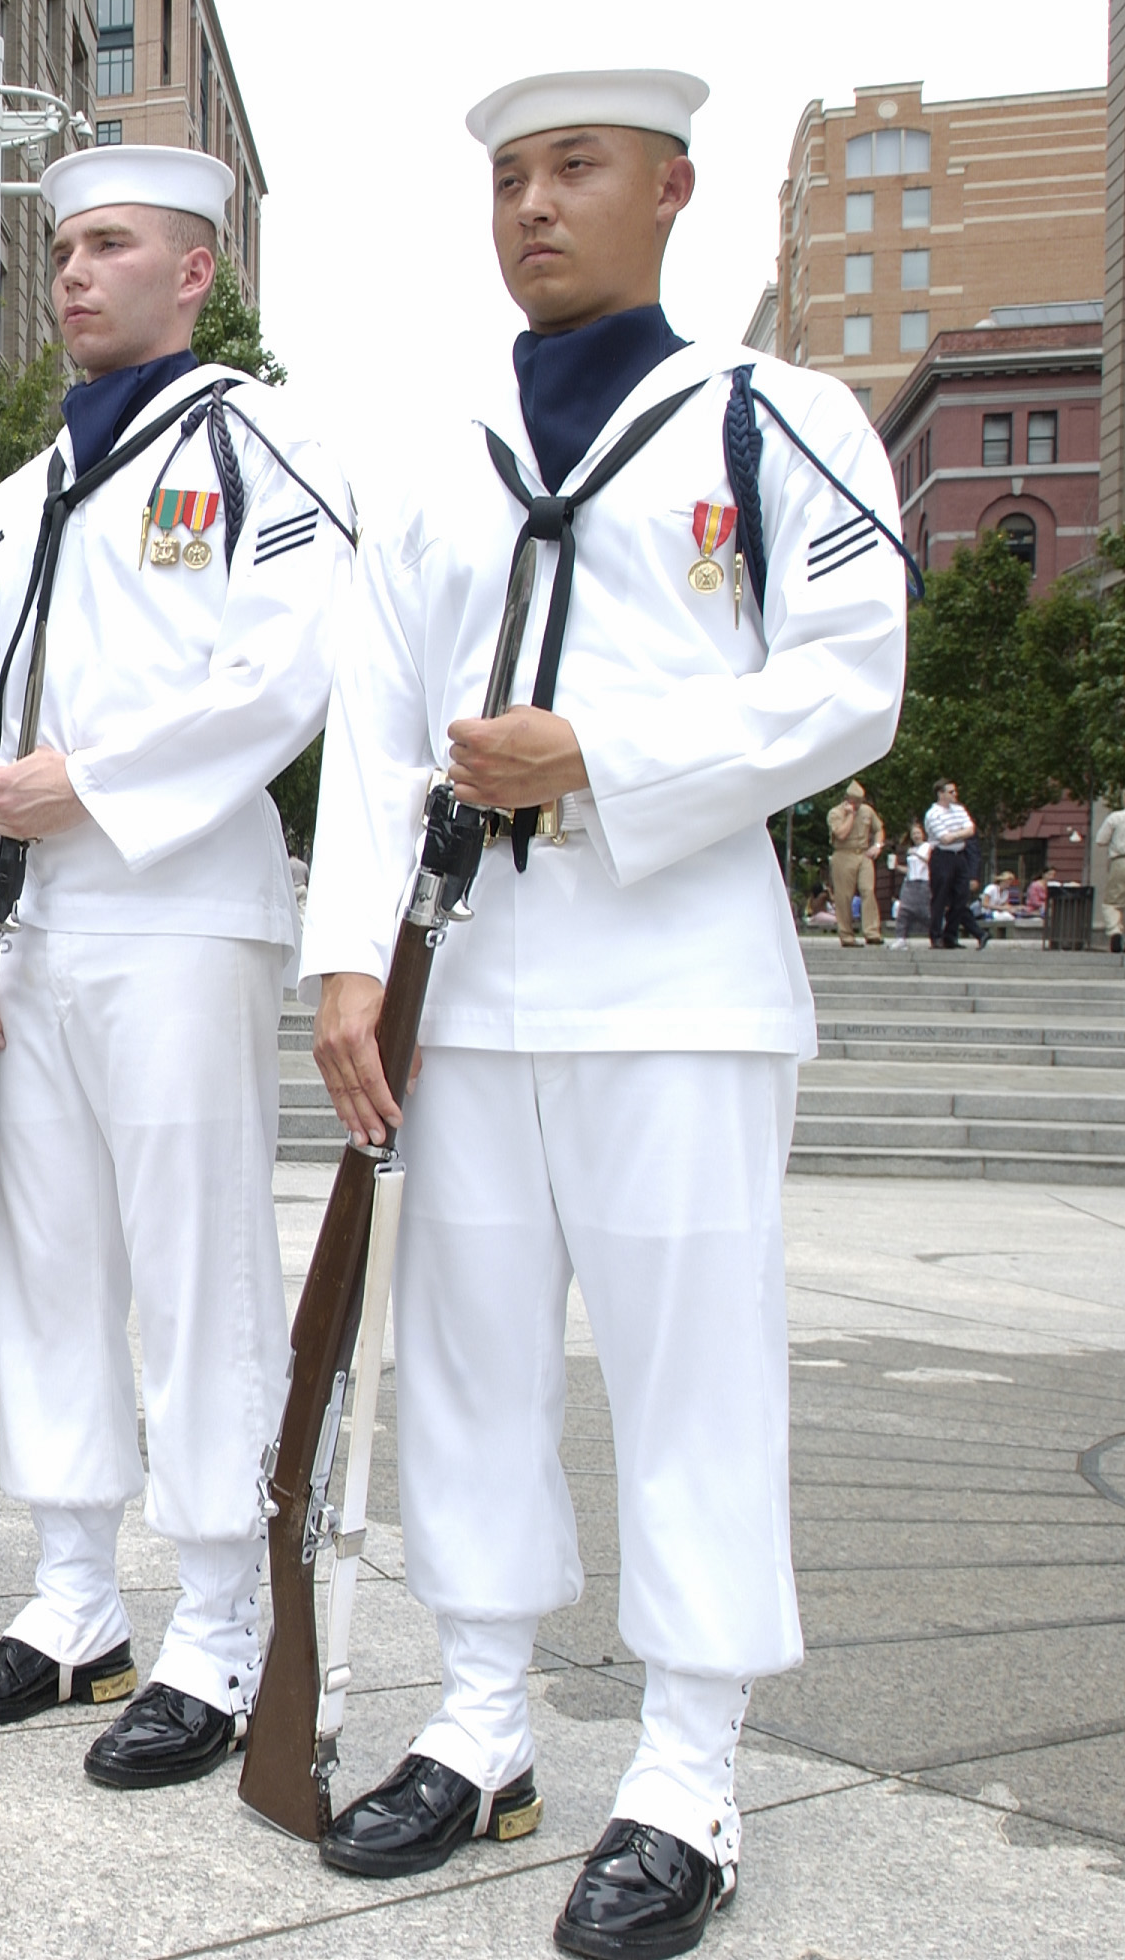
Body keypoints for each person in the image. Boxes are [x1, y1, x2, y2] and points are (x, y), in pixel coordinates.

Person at [303, 70, 907, 1959]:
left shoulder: (773, 418)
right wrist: (342, 957)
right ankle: (479, 1720)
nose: (533, 205)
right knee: (465, 1365)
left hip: (676, 978)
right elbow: (376, 721)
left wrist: (605, 750)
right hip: (465, 983)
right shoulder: (434, 448)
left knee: (686, 1377)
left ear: (671, 192)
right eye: (508, 176)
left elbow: (850, 681)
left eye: (574, 170)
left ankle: (685, 1767)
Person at [0, 146, 357, 1785]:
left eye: (110, 247)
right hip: (33, 921)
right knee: (49, 1271)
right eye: (60, 250)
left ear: (194, 274)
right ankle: (75, 1601)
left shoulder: (253, 439)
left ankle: (222, 1631)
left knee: (191, 1276)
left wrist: (92, 778)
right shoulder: (22, 490)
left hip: (175, 904)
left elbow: (291, 662)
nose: (73, 275)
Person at [824, 780, 883, 947]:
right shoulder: (836, 813)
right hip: (843, 853)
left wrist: (877, 845)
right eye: (853, 800)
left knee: (868, 890)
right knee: (844, 895)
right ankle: (847, 935)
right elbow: (841, 834)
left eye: (860, 801)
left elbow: (878, 829)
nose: (857, 804)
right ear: (846, 799)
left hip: (863, 853)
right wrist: (850, 815)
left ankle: (872, 932)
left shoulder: (867, 811)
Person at [923, 780, 976, 949]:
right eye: (951, 792)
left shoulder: (959, 810)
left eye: (955, 791)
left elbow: (971, 829)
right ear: (941, 794)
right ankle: (936, 935)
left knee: (961, 895)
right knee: (940, 897)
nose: (955, 795)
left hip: (959, 855)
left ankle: (951, 935)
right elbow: (944, 838)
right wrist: (961, 833)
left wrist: (956, 835)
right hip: (942, 856)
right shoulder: (933, 814)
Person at [1095, 803, 1125, 952]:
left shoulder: (1116, 817)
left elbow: (1100, 840)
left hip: (1120, 861)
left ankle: (1115, 932)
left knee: (1112, 902)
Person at [891, 840, 931, 947]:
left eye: (918, 833)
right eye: (914, 833)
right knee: (903, 909)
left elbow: (929, 861)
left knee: (925, 912)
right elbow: (910, 869)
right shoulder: (912, 849)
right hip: (909, 881)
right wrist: (897, 867)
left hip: (923, 881)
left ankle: (938, 935)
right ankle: (900, 938)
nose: (915, 836)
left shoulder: (928, 846)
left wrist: (916, 854)